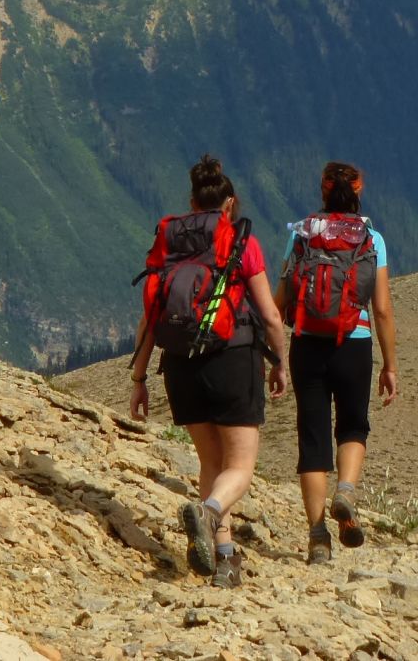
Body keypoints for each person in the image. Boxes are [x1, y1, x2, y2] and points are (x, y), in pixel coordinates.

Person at [130, 155, 290, 587]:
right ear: (229, 203)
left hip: (180, 367)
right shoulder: (239, 241)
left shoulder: (169, 244)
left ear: (191, 201)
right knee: (238, 468)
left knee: (211, 463)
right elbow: (271, 315)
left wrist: (139, 379)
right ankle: (209, 512)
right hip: (232, 359)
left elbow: (149, 317)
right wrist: (282, 363)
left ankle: (223, 558)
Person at [276, 160, 399, 565]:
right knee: (352, 425)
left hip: (306, 344)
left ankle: (317, 539)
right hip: (355, 342)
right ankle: (345, 491)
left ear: (323, 191)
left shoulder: (301, 236)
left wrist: (273, 356)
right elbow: (381, 309)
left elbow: (279, 304)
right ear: (359, 192)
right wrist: (390, 365)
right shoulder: (372, 239)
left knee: (312, 438)